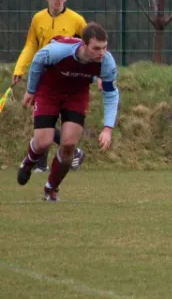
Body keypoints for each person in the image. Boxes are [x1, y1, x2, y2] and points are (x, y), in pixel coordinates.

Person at [17, 22, 119, 202]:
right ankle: (28, 162)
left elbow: (111, 94)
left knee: (69, 145)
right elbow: (38, 60)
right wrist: (31, 90)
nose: (101, 53)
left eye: (104, 48)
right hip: (49, 92)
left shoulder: (107, 62)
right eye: (96, 48)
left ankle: (51, 188)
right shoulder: (59, 51)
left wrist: (107, 129)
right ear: (84, 44)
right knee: (43, 142)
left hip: (76, 96)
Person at [12, 0, 91, 173]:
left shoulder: (77, 20)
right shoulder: (38, 19)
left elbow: (91, 46)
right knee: (41, 119)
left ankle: (61, 156)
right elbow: (31, 45)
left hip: (69, 78)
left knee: (59, 120)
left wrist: (96, 75)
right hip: (45, 76)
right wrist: (19, 68)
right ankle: (43, 163)